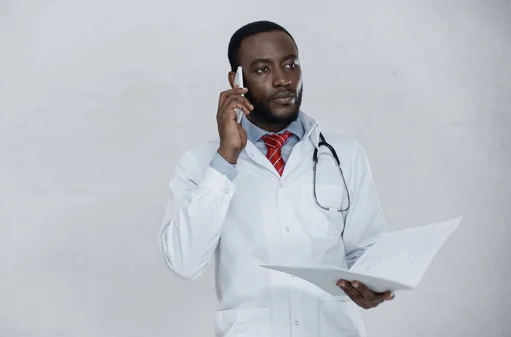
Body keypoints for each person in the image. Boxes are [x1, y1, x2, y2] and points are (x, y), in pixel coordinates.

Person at [157, 20, 394, 337]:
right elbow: (184, 262)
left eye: (290, 64)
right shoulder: (202, 163)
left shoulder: (344, 153)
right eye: (262, 70)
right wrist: (226, 157)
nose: (283, 80)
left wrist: (373, 282)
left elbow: (368, 250)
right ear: (236, 80)